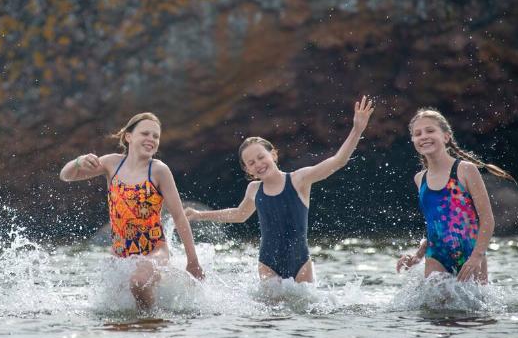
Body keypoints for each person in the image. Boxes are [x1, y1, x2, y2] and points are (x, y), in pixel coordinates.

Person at [186, 96, 374, 283]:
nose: (258, 164)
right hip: (268, 264)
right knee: (273, 312)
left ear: (273, 154)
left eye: (261, 157)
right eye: (251, 163)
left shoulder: (299, 180)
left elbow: (337, 161)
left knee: (304, 310)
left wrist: (357, 129)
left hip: (301, 263)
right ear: (248, 170)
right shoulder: (253, 189)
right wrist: (199, 215)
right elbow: (239, 214)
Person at [59, 112, 204, 308]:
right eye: (145, 133)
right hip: (120, 254)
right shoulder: (112, 164)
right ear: (129, 137)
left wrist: (193, 261)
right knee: (115, 319)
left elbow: (179, 216)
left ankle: (151, 323)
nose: (151, 139)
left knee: (138, 282)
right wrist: (78, 161)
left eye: (156, 136)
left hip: (155, 251)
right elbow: (66, 176)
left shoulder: (159, 170)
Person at [396, 108, 512, 283]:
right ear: (413, 140)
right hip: (436, 255)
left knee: (473, 309)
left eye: (430, 130)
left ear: (446, 136)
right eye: (417, 133)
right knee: (434, 307)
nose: (423, 136)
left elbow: (487, 218)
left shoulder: (465, 170)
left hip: (470, 253)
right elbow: (436, 224)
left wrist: (477, 257)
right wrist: (418, 256)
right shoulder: (420, 179)